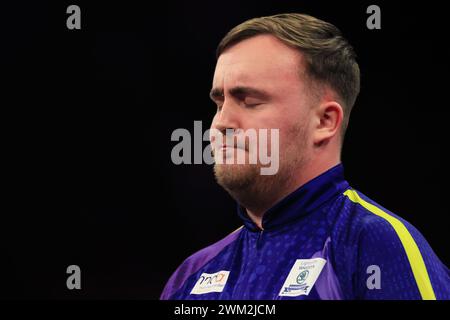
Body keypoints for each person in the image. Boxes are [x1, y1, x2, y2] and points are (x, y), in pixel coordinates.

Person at [160, 13, 450, 300]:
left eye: (249, 101)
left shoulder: (374, 245)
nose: (221, 124)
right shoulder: (191, 275)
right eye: (219, 102)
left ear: (324, 121)